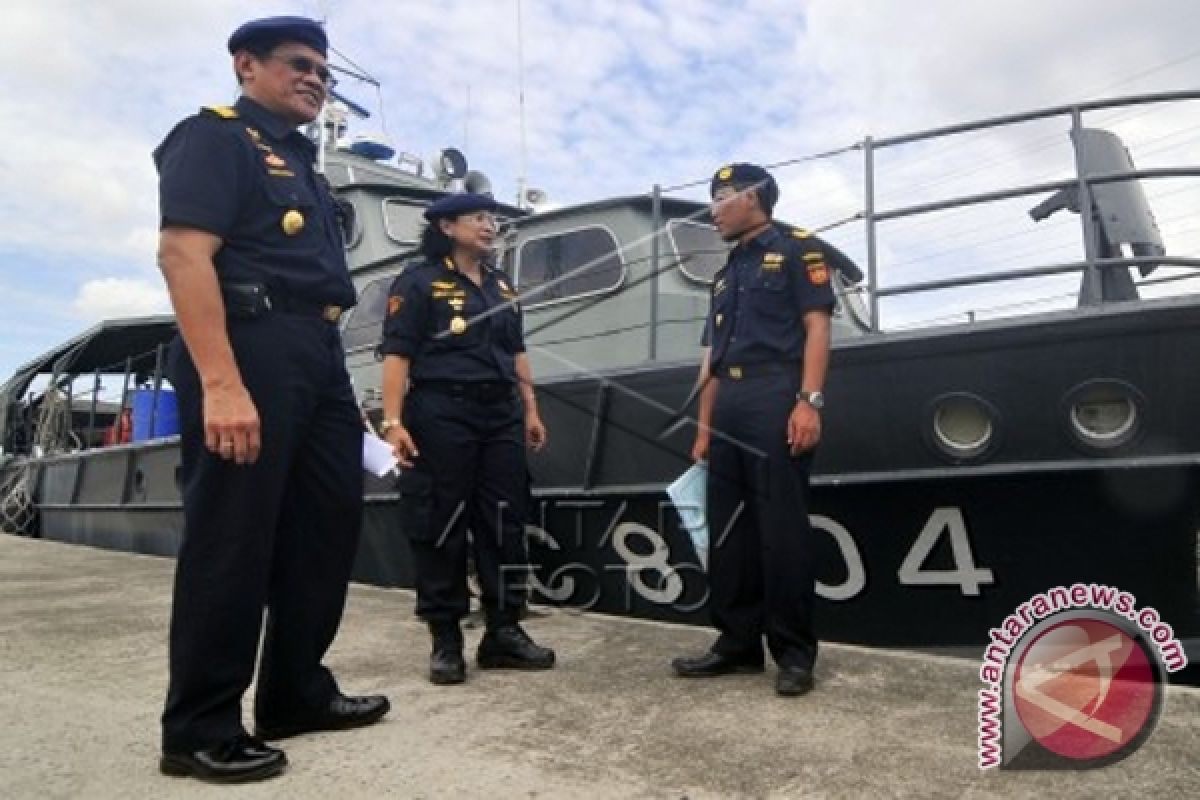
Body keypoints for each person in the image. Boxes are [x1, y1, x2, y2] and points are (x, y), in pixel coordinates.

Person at [155, 16, 389, 783]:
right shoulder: (215, 138)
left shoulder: (304, 163)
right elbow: (184, 253)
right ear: (245, 65)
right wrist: (221, 383)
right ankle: (199, 726)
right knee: (235, 536)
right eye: (299, 64)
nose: (316, 78)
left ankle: (294, 692)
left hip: (315, 353)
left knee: (324, 526)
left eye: (324, 71)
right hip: (247, 345)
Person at [671, 163, 835, 697]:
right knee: (730, 530)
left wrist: (808, 402)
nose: (713, 208)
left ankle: (792, 652)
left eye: (721, 196)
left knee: (780, 528)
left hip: (774, 394)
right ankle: (736, 643)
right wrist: (703, 427)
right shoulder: (724, 274)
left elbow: (817, 325)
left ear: (753, 197)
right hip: (730, 404)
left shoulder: (796, 249)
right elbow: (711, 360)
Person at [380, 192, 554, 686]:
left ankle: (503, 631)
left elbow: (517, 351)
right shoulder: (417, 283)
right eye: (478, 217)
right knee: (441, 522)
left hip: (499, 412)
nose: (489, 224)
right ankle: (446, 640)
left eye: (491, 217)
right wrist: (394, 422)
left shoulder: (501, 285)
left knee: (505, 520)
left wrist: (531, 410)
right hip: (441, 412)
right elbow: (397, 355)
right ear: (446, 226)